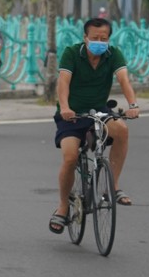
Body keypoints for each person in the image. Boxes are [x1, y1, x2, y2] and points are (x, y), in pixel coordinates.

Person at [48, 17, 141, 234]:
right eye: (95, 38)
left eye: (104, 38)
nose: (100, 41)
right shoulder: (72, 53)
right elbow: (63, 82)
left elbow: (124, 80)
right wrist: (64, 107)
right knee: (70, 157)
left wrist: (133, 105)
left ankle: (112, 187)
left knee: (122, 130)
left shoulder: (113, 54)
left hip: (99, 112)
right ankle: (63, 207)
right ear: (85, 37)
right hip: (71, 115)